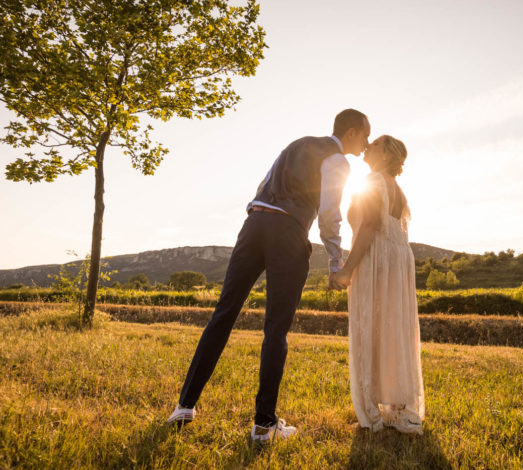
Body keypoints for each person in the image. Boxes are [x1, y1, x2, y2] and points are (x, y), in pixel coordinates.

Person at [167, 109, 370, 442]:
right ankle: (263, 425)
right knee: (276, 328)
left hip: (254, 225)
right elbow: (329, 213)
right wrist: (336, 262)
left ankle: (184, 406)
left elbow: (263, 184)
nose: (366, 143)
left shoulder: (296, 145)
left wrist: (258, 216)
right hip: (287, 232)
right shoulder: (337, 160)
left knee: (223, 315)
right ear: (350, 133)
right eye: (365, 136)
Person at [330, 135, 424, 434]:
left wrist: (347, 269)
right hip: (398, 258)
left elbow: (369, 226)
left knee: (372, 324)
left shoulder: (373, 181)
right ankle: (398, 406)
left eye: (378, 143)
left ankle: (374, 407)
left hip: (378, 257)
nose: (369, 144)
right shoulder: (396, 188)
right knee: (394, 326)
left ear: (387, 154)